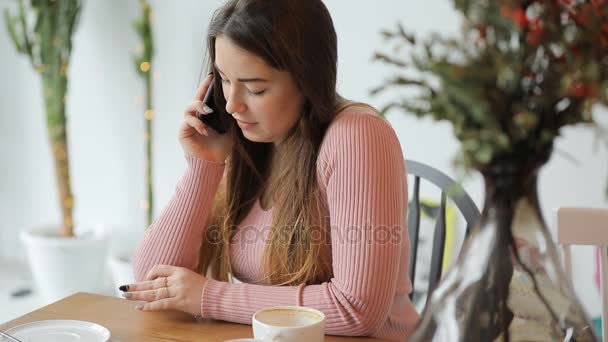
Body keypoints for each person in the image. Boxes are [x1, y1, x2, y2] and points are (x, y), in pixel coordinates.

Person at [121, 0, 419, 339]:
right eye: (223, 79)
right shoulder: (250, 142)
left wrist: (208, 296)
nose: (232, 105)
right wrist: (203, 166)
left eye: (255, 87)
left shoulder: (358, 136)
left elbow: (357, 310)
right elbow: (151, 284)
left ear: (308, 79)